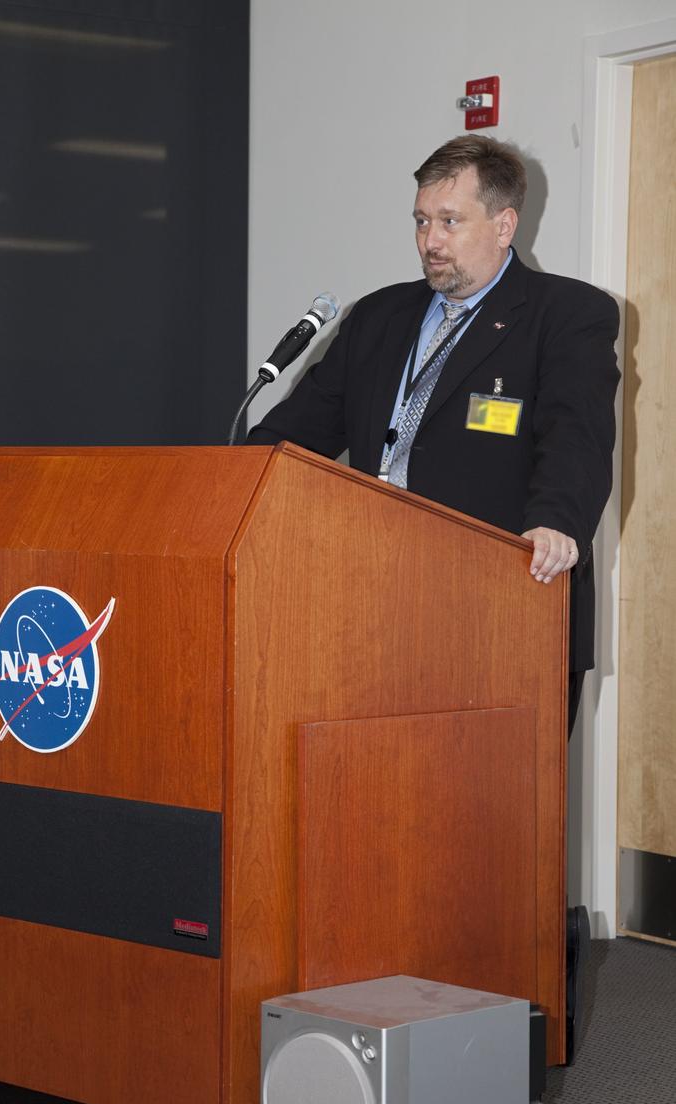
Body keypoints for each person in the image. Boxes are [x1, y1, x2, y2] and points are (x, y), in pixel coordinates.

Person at [247, 135, 620, 736]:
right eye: (422, 221)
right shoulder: (379, 316)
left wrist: (556, 520)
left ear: (504, 225)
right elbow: (297, 433)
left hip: (501, 611)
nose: (430, 240)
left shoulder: (568, 314)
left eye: (450, 220)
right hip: (371, 606)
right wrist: (232, 480)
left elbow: (575, 433)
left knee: (495, 815)